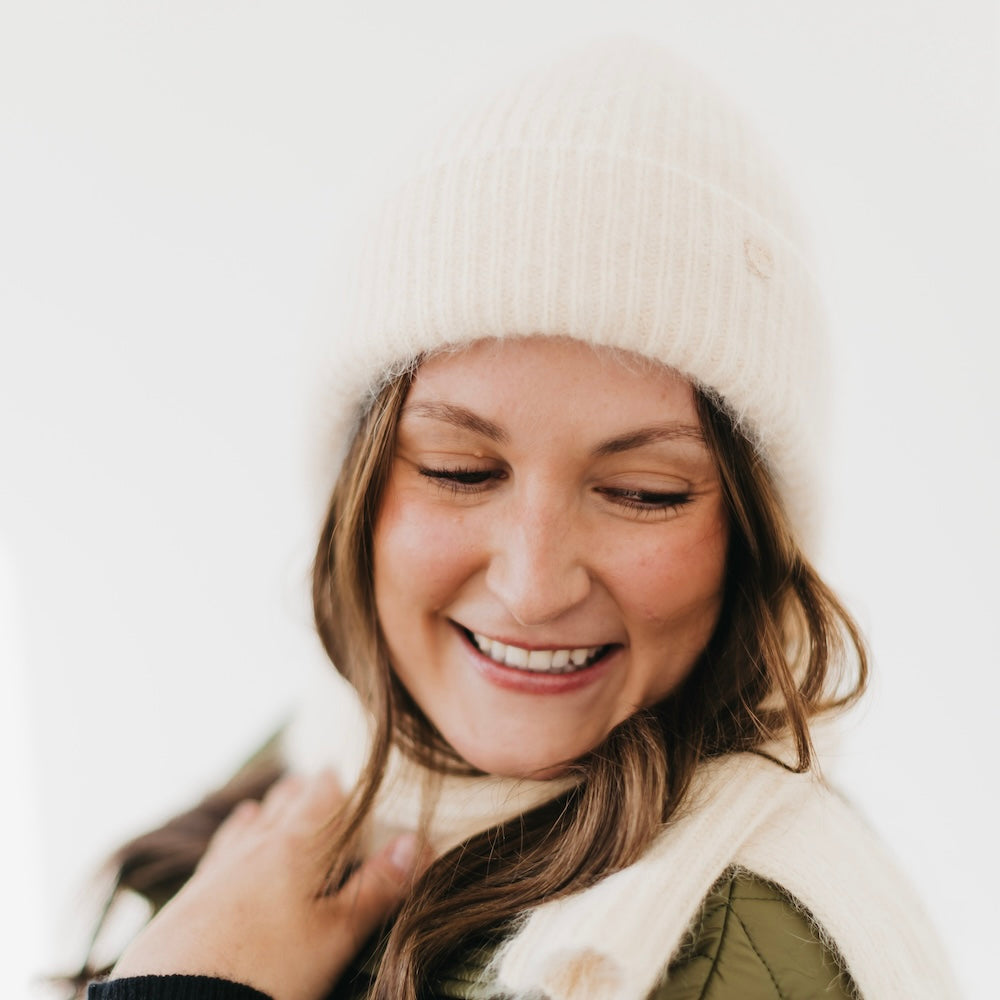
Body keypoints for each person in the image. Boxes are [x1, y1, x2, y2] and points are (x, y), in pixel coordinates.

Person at [77, 39, 957, 1000]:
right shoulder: (328, 753)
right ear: (360, 496)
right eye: (460, 471)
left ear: (747, 538)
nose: (534, 588)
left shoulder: (720, 957)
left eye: (644, 492)